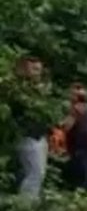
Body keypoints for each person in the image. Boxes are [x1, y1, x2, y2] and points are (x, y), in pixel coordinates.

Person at [10, 56, 57, 199]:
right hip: (28, 136)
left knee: (36, 174)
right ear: (24, 70)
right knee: (35, 174)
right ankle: (25, 210)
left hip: (39, 136)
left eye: (39, 70)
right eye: (34, 69)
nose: (38, 73)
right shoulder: (17, 89)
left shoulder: (38, 91)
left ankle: (30, 208)